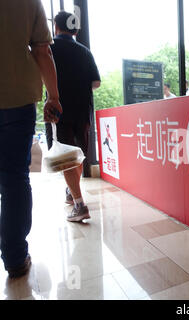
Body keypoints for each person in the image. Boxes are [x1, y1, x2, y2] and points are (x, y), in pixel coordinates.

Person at [0, 0, 62, 278]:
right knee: (14, 179)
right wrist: (54, 96)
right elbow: (41, 50)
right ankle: (14, 257)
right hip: (16, 98)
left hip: (18, 100)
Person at [45, 11, 101, 223]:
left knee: (66, 157)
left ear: (56, 28)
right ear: (76, 30)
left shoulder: (49, 48)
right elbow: (96, 83)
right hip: (83, 111)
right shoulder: (85, 51)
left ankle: (79, 205)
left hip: (60, 111)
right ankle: (72, 192)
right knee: (77, 154)